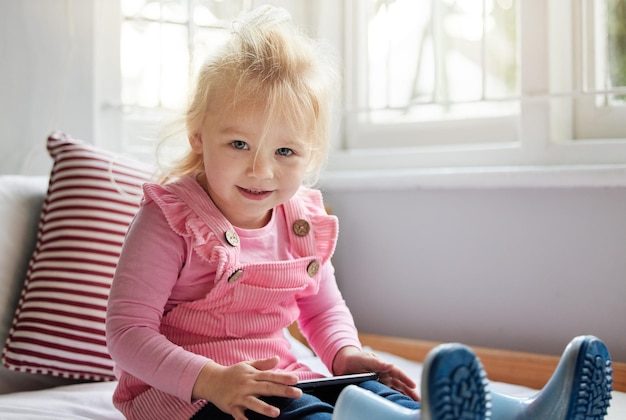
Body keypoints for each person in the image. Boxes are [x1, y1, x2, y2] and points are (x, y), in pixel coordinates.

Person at [105, 5, 435, 420]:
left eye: (285, 151)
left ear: (309, 155)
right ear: (198, 136)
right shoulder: (170, 219)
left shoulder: (301, 224)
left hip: (281, 378)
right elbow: (127, 334)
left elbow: (323, 309)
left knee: (371, 395)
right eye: (239, 144)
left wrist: (346, 357)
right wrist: (212, 380)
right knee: (304, 416)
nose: (261, 170)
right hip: (190, 395)